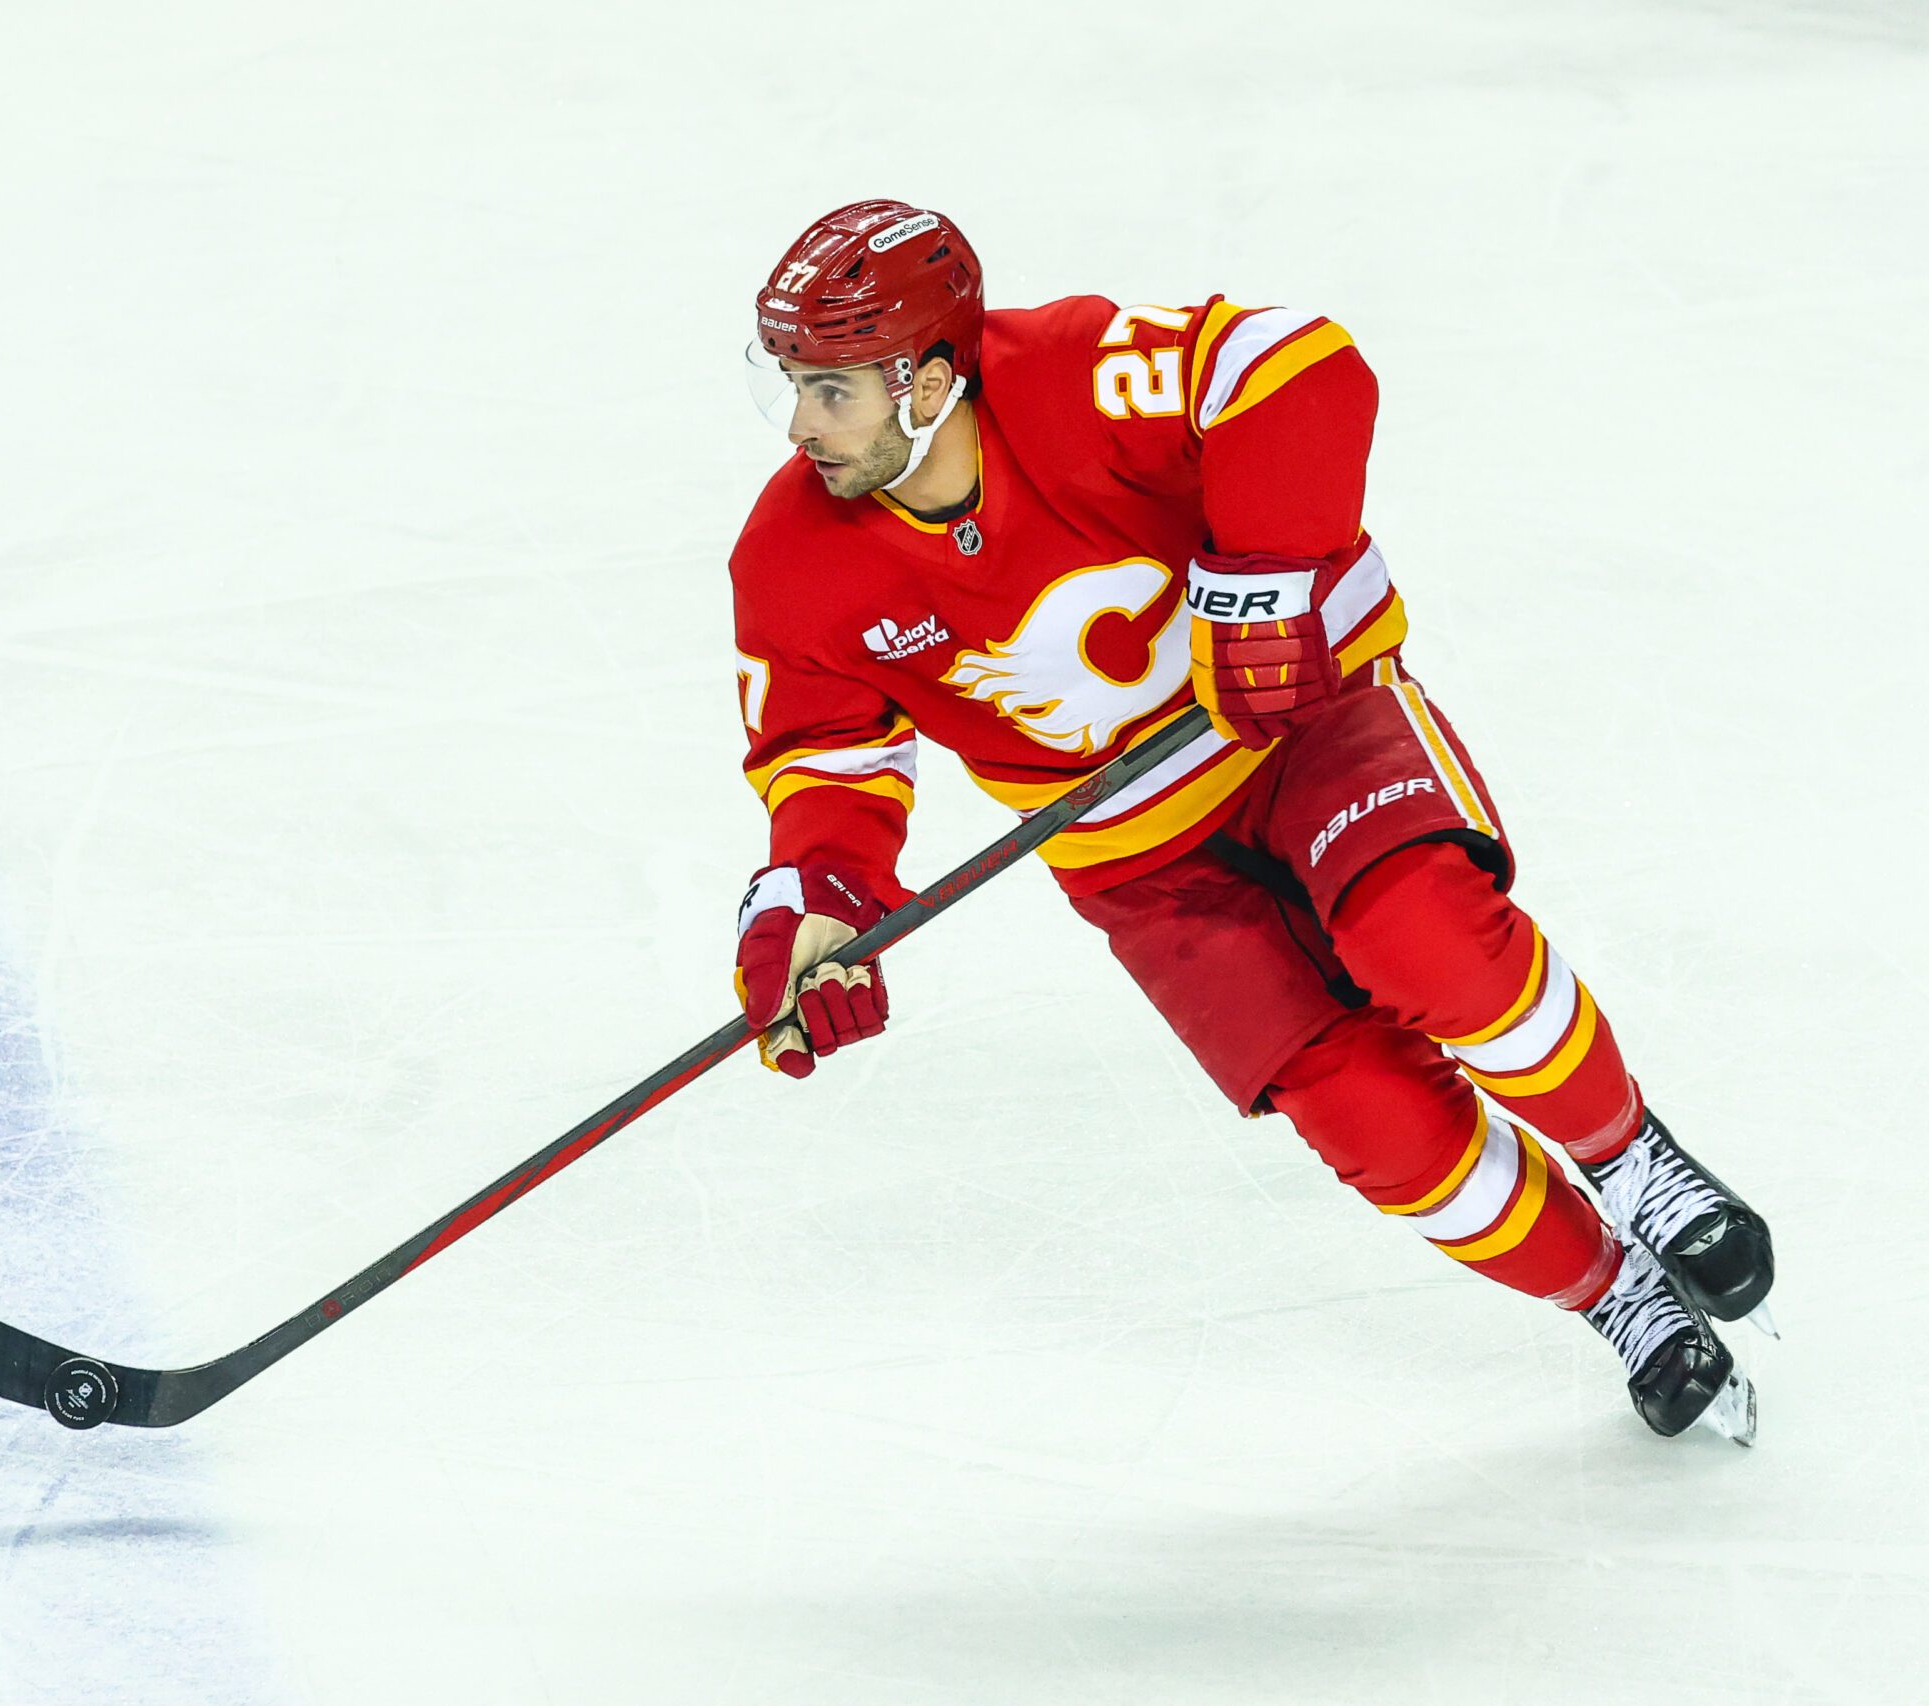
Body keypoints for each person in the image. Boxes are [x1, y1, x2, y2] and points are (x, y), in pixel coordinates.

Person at [727, 199, 1774, 1443]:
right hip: (1142, 871)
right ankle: (1622, 1300)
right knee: (1363, 1112)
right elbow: (824, 758)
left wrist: (1267, 579)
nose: (799, 425)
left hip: (1297, 737)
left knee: (1420, 935)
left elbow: (1293, 367)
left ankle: (1630, 1157)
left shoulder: (1068, 374)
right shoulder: (791, 557)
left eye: (832, 389)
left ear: (934, 378)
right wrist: (820, 904)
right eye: (792, 384)